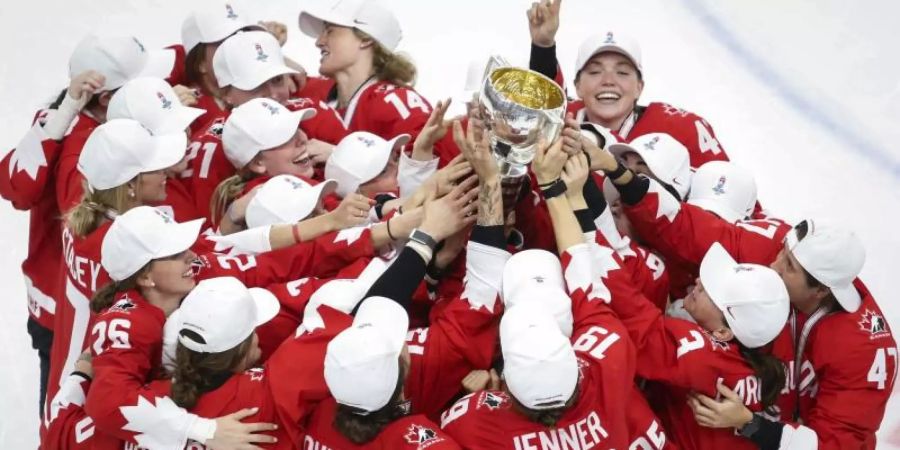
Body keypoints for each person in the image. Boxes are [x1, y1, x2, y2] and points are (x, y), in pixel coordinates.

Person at [591, 143, 896, 449]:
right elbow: (683, 227)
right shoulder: (771, 246)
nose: (773, 263)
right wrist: (618, 172)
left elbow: (841, 444)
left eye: (788, 266)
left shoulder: (864, 350)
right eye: (782, 253)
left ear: (821, 290)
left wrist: (752, 425)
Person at [46, 118, 187, 428]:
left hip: (68, 381)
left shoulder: (85, 215)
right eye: (157, 168)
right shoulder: (131, 251)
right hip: (99, 394)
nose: (168, 173)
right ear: (131, 186)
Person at [0, 69, 103, 414]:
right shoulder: (61, 129)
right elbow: (14, 185)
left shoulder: (68, 124)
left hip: (75, 307)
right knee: (61, 410)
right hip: (56, 310)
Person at [526, 0, 730, 170]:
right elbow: (546, 101)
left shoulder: (680, 129)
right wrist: (543, 46)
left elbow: (729, 198)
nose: (608, 81)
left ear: (639, 87)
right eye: (595, 72)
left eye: (622, 72)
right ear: (578, 86)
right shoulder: (561, 121)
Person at [298, 0, 456, 163]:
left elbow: (427, 168)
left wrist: (341, 156)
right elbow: (279, 81)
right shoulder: (318, 91)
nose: (319, 42)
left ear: (365, 39)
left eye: (330, 31)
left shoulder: (396, 101)